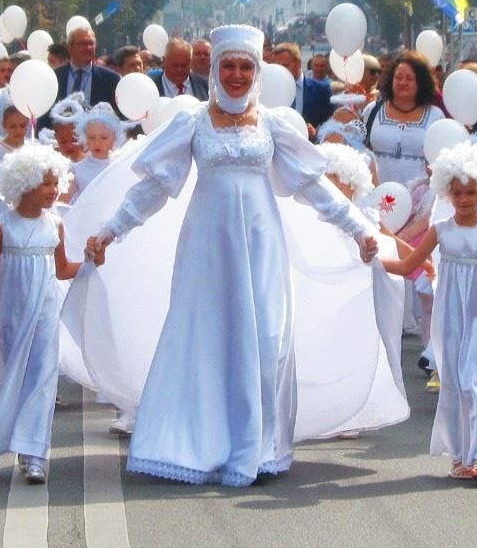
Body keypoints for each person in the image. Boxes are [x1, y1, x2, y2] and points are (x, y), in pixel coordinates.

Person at [84, 25, 379, 487]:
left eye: (245, 66)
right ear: (216, 69)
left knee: (266, 340)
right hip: (208, 246)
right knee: (206, 340)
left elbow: (313, 187)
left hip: (261, 247)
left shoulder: (273, 124)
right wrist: (110, 231)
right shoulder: (193, 121)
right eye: (228, 66)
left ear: (257, 71)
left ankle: (258, 447)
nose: (237, 75)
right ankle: (201, 444)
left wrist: (358, 228)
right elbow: (154, 188)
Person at [383, 143, 477, 483]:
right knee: (457, 385)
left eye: (471, 192)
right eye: (457, 193)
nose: (464, 199)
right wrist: (372, 261)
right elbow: (408, 265)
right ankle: (460, 456)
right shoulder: (441, 229)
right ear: (446, 191)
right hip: (452, 315)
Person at [0, 145, 88, 484]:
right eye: (46, 184)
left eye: (55, 183)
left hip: (45, 312)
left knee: (41, 379)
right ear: (24, 183)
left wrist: (91, 263)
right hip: (11, 315)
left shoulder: (56, 225)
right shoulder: (1, 225)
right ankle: (20, 444)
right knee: (17, 377)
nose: (54, 190)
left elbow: (63, 269)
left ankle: (36, 453)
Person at [362, 52, 444, 189]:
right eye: (398, 77)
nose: (402, 83)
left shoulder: (436, 116)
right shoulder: (372, 110)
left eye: (409, 78)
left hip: (420, 196)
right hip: (377, 194)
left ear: (421, 82)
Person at [54, 28, 119, 109]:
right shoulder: (55, 76)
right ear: (70, 47)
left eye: (91, 43)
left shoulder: (111, 79)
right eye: (82, 44)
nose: (88, 47)